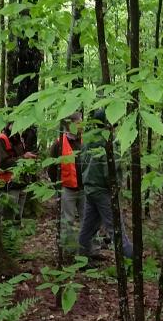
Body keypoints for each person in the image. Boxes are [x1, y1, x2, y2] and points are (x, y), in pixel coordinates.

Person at [77, 109, 133, 261]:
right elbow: (110, 169)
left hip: (90, 188)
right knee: (115, 227)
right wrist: (114, 187)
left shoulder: (88, 139)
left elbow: (81, 164)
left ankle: (81, 258)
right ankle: (130, 260)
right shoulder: (108, 140)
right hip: (102, 190)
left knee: (88, 227)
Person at [49, 112, 84, 255]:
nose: (81, 125)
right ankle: (68, 252)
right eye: (78, 122)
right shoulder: (58, 144)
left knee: (87, 220)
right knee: (67, 221)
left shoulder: (85, 142)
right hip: (67, 189)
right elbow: (51, 168)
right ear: (70, 124)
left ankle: (89, 251)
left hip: (84, 188)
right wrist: (58, 187)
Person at [0, 125, 37, 222]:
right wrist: (24, 157)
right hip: (8, 185)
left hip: (21, 183)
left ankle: (18, 235)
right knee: (8, 219)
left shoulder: (18, 137)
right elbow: (2, 164)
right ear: (9, 125)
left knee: (17, 219)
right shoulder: (2, 139)